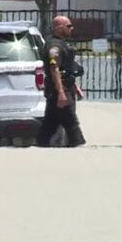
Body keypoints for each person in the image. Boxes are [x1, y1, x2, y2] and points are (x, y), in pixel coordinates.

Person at [36, 15, 86, 147]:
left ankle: (41, 145)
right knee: (71, 122)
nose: (72, 28)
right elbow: (55, 69)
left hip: (64, 88)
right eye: (68, 26)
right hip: (58, 90)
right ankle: (77, 144)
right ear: (59, 28)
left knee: (50, 123)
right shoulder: (54, 47)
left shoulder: (62, 44)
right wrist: (61, 93)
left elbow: (66, 69)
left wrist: (75, 87)